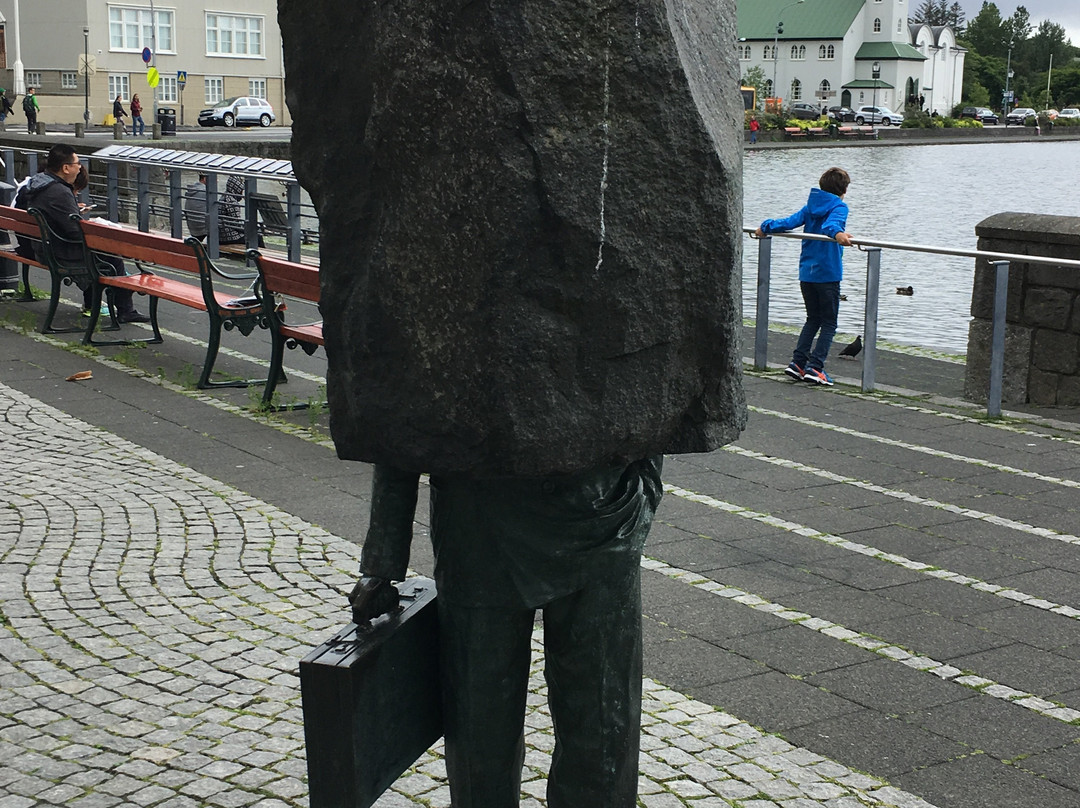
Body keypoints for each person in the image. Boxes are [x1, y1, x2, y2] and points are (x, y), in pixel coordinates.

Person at [350, 456, 664, 808]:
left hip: (602, 520)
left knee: (603, 726)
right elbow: (399, 419)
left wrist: (645, 492)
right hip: (479, 529)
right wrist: (382, 555)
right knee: (479, 731)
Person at [15, 144, 149, 323]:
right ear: (66, 168)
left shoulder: (38, 183)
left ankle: (94, 305)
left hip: (40, 245)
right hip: (56, 253)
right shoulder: (59, 191)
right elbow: (74, 232)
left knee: (100, 253)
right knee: (109, 256)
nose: (79, 167)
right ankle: (125, 310)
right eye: (77, 163)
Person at [755, 166, 853, 386]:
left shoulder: (810, 206)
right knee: (829, 323)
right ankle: (816, 367)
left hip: (806, 272)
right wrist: (839, 234)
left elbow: (788, 223)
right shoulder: (840, 206)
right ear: (843, 190)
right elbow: (831, 225)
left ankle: (798, 363)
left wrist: (765, 226)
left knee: (812, 319)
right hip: (828, 273)